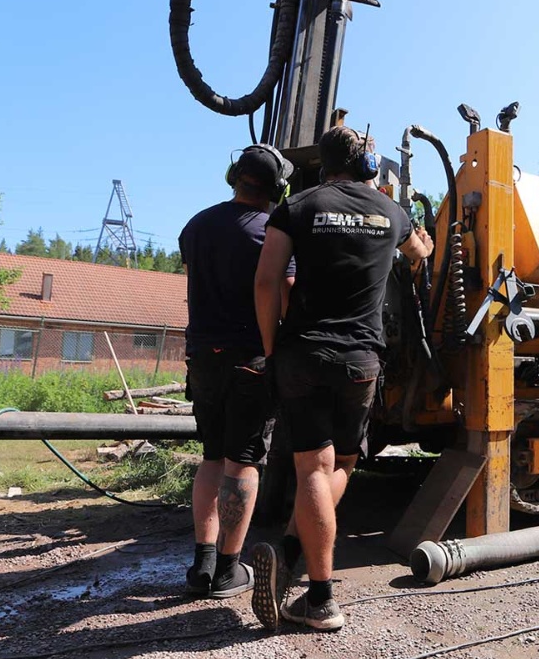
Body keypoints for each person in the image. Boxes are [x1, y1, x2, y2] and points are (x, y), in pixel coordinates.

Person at [249, 125, 433, 631]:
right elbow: (421, 256)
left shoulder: (298, 207)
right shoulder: (392, 212)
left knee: (312, 466)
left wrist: (271, 349)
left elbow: (266, 281)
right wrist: (422, 242)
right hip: (361, 360)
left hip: (301, 356)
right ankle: (318, 595)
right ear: (367, 163)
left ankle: (294, 558)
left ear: (324, 163)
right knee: (344, 463)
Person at [178, 144, 295, 598]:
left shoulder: (196, 225)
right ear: (279, 188)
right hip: (252, 358)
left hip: (203, 356)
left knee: (211, 456)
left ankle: (201, 565)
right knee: (243, 461)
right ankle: (229, 569)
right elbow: (286, 292)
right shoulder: (274, 232)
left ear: (234, 176)